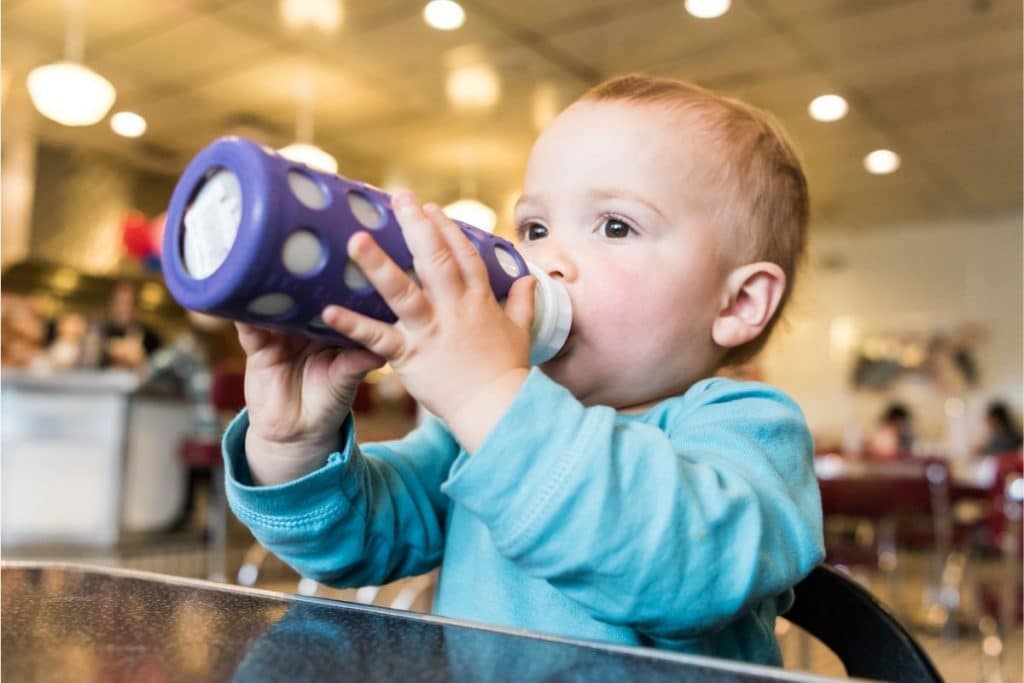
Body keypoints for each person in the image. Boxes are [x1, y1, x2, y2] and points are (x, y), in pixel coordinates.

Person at [223, 75, 824, 665]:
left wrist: (487, 395)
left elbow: (690, 573)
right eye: (535, 228)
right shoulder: (473, 433)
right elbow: (354, 541)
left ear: (738, 303)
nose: (544, 260)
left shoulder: (744, 426)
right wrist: (292, 444)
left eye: (615, 226)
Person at [99, 281, 162, 370]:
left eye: (128, 304)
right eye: (118, 303)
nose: (122, 309)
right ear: (111, 305)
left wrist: (142, 360)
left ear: (136, 308)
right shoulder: (100, 332)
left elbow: (159, 366)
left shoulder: (150, 338)